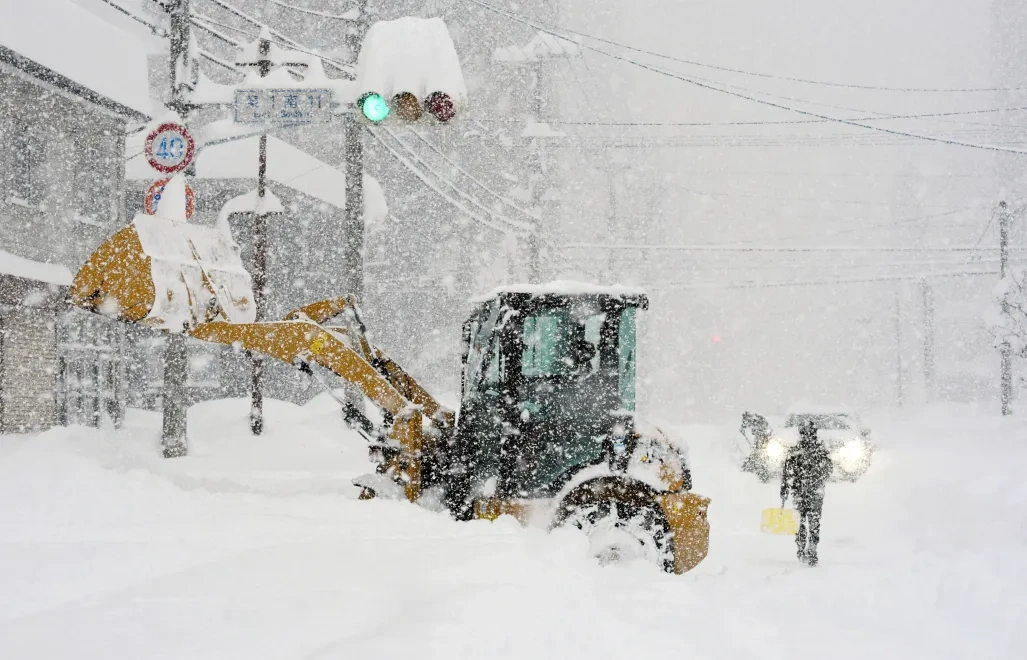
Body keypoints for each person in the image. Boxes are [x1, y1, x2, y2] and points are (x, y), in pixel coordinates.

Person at [780, 419, 833, 566]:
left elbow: (786, 473)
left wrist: (784, 488)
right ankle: (811, 550)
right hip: (815, 491)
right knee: (813, 523)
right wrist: (817, 478)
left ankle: (802, 549)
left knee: (800, 522)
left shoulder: (796, 451)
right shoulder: (820, 451)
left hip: (801, 491)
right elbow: (828, 469)